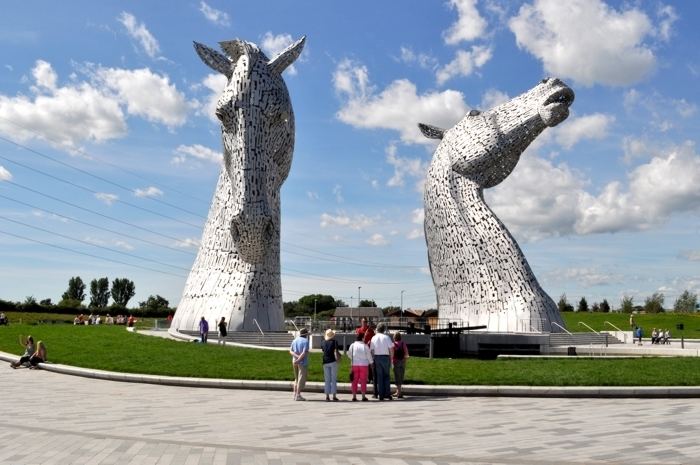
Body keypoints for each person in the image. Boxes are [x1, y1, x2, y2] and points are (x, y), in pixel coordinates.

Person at [370, 323, 394, 401]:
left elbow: (372, 350)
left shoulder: (373, 338)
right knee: (386, 376)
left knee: (379, 377)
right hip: (385, 357)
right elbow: (391, 349)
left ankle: (381, 394)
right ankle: (387, 393)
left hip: (377, 357)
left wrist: (373, 359)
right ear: (384, 329)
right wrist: (391, 358)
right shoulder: (387, 337)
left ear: (377, 328)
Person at [349, 332, 373, 401]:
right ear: (362, 338)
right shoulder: (365, 346)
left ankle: (354, 396)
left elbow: (349, 354)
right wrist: (371, 363)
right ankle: (363, 396)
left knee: (354, 381)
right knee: (363, 381)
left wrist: (354, 358)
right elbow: (369, 356)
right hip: (364, 365)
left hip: (354, 365)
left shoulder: (352, 345)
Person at [289, 327, 310, 401]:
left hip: (294, 361)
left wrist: (296, 358)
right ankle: (298, 395)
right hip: (302, 362)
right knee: (301, 378)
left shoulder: (294, 340)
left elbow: (290, 351)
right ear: (306, 334)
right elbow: (304, 353)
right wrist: (299, 359)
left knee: (296, 378)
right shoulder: (306, 341)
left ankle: (294, 394)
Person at [321, 329, 341, 401]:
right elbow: (336, 351)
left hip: (325, 361)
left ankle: (327, 396)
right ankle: (334, 396)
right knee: (333, 379)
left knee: (327, 379)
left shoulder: (323, 342)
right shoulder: (335, 342)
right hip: (333, 361)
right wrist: (339, 358)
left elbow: (323, 350)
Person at [392, 332, 409, 399]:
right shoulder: (403, 343)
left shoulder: (393, 344)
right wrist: (404, 360)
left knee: (397, 376)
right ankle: (398, 391)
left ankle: (399, 393)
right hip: (402, 362)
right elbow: (406, 353)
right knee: (401, 376)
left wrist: (392, 361)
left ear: (394, 337)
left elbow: (392, 354)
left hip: (396, 362)